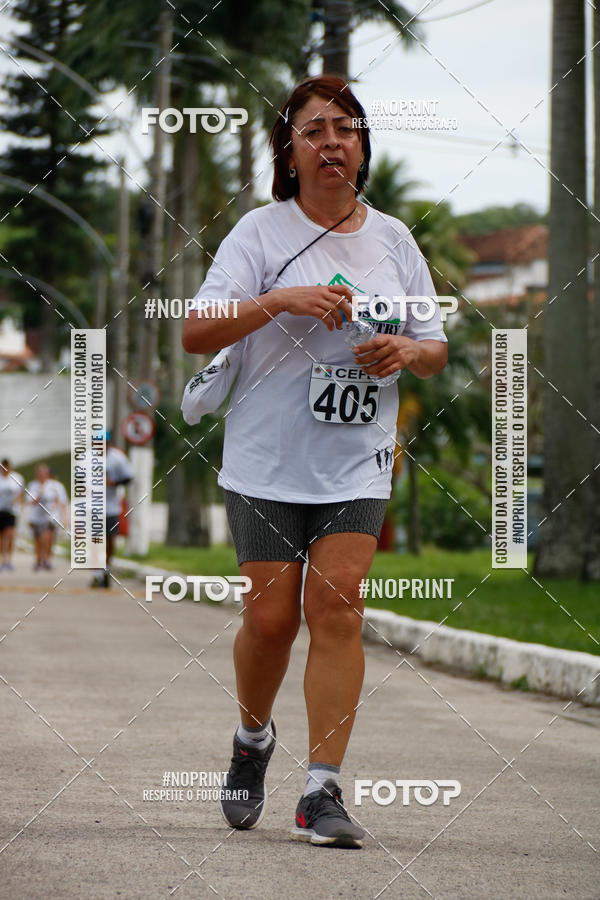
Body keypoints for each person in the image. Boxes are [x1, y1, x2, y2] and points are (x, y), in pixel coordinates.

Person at [182, 75, 448, 848]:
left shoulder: (394, 239)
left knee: (338, 608)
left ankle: (321, 791)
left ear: (362, 148)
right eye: (315, 130)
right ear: (290, 152)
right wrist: (282, 300)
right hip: (266, 461)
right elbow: (197, 331)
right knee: (270, 622)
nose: (333, 141)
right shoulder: (260, 234)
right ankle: (252, 739)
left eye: (347, 129)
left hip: (357, 459)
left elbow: (433, 347)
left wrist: (405, 350)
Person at [91, 432, 133, 588]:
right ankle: (96, 573)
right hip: (93, 506)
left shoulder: (118, 458)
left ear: (109, 443)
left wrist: (114, 483)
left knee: (109, 540)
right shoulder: (87, 458)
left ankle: (106, 568)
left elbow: (129, 478)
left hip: (111, 506)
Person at [27, 464, 61, 570]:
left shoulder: (53, 485)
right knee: (38, 541)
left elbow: (58, 499)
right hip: (36, 518)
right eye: (40, 472)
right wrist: (39, 495)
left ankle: (46, 560)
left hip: (48, 517)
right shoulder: (32, 485)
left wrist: (56, 507)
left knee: (46, 539)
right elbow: (31, 502)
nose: (42, 474)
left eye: (44, 472)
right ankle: (38, 560)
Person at [0, 458, 24, 571]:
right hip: (1, 510)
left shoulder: (17, 477)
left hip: (12, 511)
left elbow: (21, 493)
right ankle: (2, 560)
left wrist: (15, 501)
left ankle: (9, 560)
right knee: (1, 537)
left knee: (10, 535)